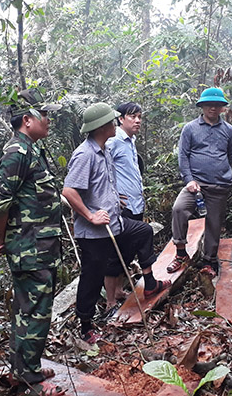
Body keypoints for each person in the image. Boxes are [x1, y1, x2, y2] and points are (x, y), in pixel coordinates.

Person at [62, 102, 170, 343]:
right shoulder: (85, 154)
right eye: (112, 121)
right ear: (101, 127)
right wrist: (90, 215)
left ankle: (150, 282)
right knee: (92, 275)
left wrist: (113, 199)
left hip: (115, 223)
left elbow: (101, 185)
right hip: (93, 233)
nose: (115, 123)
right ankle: (86, 325)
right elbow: (69, 191)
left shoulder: (105, 150)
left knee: (143, 231)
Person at [0, 89, 65, 396]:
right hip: (31, 249)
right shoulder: (17, 153)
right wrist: (0, 237)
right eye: (45, 115)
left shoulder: (31, 150)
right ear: (27, 120)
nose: (49, 120)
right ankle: (28, 373)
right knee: (35, 310)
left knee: (28, 309)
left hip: (40, 246)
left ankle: (24, 369)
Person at [166, 87, 232, 277]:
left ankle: (209, 261)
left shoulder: (229, 131)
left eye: (217, 105)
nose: (212, 108)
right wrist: (189, 180)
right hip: (195, 185)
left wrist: (219, 172)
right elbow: (183, 156)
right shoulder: (190, 128)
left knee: (214, 222)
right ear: (202, 106)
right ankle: (181, 254)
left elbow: (230, 156)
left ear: (222, 107)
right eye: (209, 105)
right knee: (179, 209)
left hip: (219, 185)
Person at [104, 102, 145, 314]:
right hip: (121, 207)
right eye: (132, 117)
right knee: (115, 252)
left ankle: (119, 290)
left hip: (135, 203)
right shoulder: (113, 141)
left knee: (128, 250)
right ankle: (110, 301)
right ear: (121, 119)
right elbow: (101, 167)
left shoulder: (130, 141)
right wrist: (110, 195)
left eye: (139, 116)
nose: (137, 120)